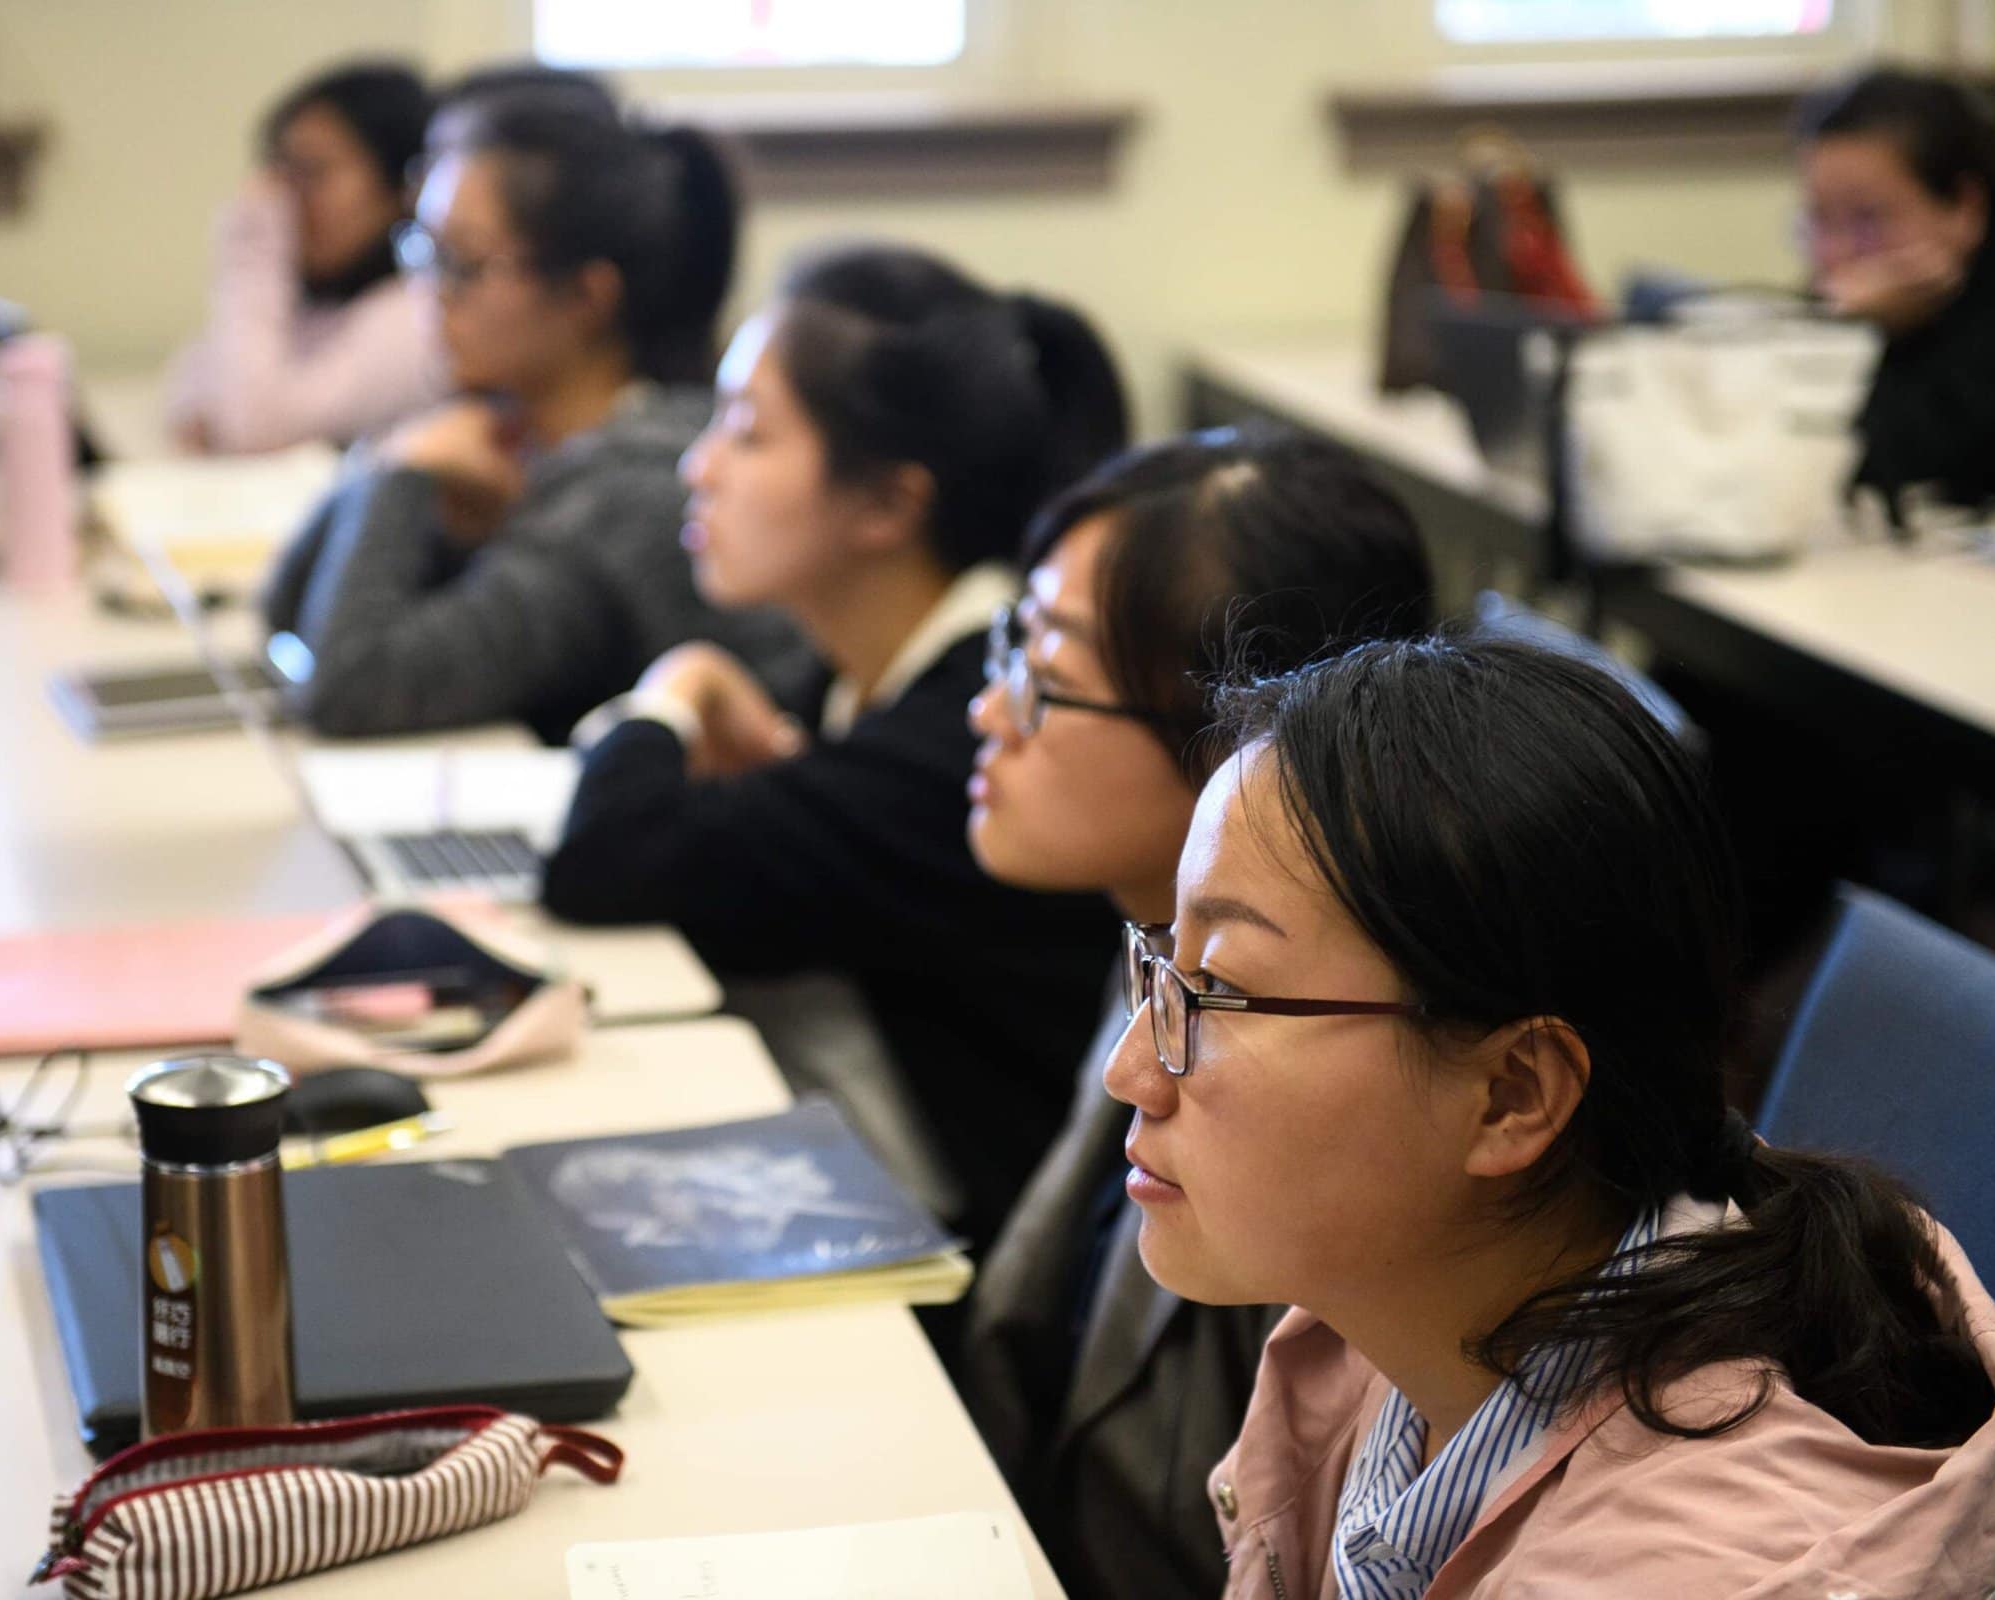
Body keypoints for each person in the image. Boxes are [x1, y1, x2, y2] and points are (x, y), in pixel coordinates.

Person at [1104, 633, 1995, 1597]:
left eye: (1225, 991)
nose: (1133, 1071)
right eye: (1167, 973)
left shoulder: (1683, 1575)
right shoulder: (1408, 1320)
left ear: (1514, 1095)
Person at [541, 244, 1131, 1241]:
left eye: (748, 434)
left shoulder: (967, 723)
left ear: (889, 503)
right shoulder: (870, 672)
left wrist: (675, 689)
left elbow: (605, 857)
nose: (700, 467)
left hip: (969, 1287)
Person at [959, 426, 1435, 1599]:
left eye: (1048, 671)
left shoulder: (1334, 1106)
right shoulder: (1155, 962)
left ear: (1240, 726)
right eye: (1010, 644)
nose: (988, 711)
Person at [262, 98, 803, 740]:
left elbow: (348, 689)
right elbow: (288, 614)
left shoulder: (624, 496)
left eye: (461, 262)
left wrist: (398, 475)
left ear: (587, 295)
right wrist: (394, 462)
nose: (429, 290)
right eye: (422, 250)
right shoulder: (521, 442)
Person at [165, 59, 447, 454]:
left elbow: (254, 428)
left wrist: (252, 251)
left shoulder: (417, 316)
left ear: (399, 186)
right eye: (280, 171)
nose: (284, 201)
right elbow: (189, 390)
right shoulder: (312, 306)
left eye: (313, 172)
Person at [1796, 65, 1995, 517]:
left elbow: (1883, 469)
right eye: (1820, 219)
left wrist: (1853, 336)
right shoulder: (1878, 304)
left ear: (1965, 207)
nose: (1836, 252)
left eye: (1867, 219)